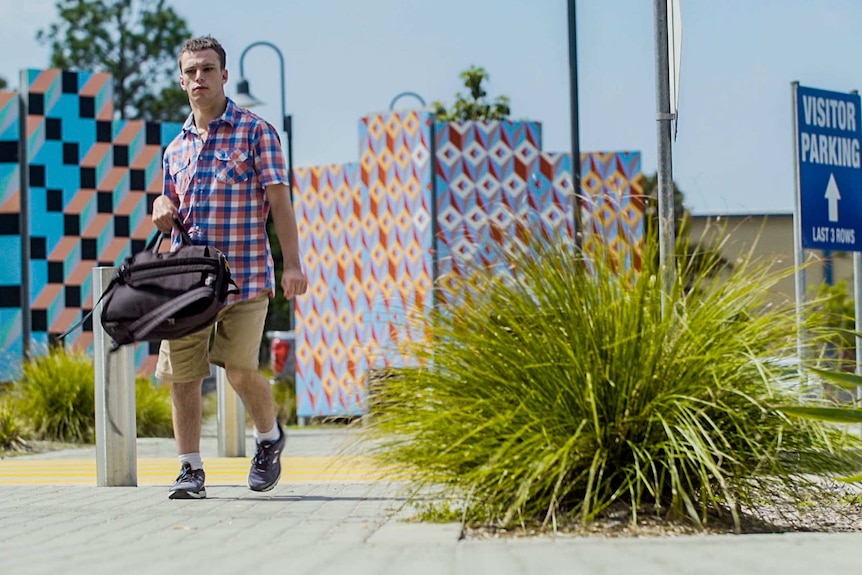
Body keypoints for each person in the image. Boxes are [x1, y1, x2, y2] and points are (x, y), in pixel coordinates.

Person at [151, 36, 307, 500]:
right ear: (182, 80)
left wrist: (292, 265)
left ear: (223, 74)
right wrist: (161, 202)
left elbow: (281, 202)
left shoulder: (257, 132)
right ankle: (190, 470)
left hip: (245, 278)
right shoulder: (175, 148)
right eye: (191, 71)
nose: (199, 78)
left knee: (239, 369)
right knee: (184, 375)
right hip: (188, 282)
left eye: (208, 69)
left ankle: (268, 438)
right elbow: (170, 204)